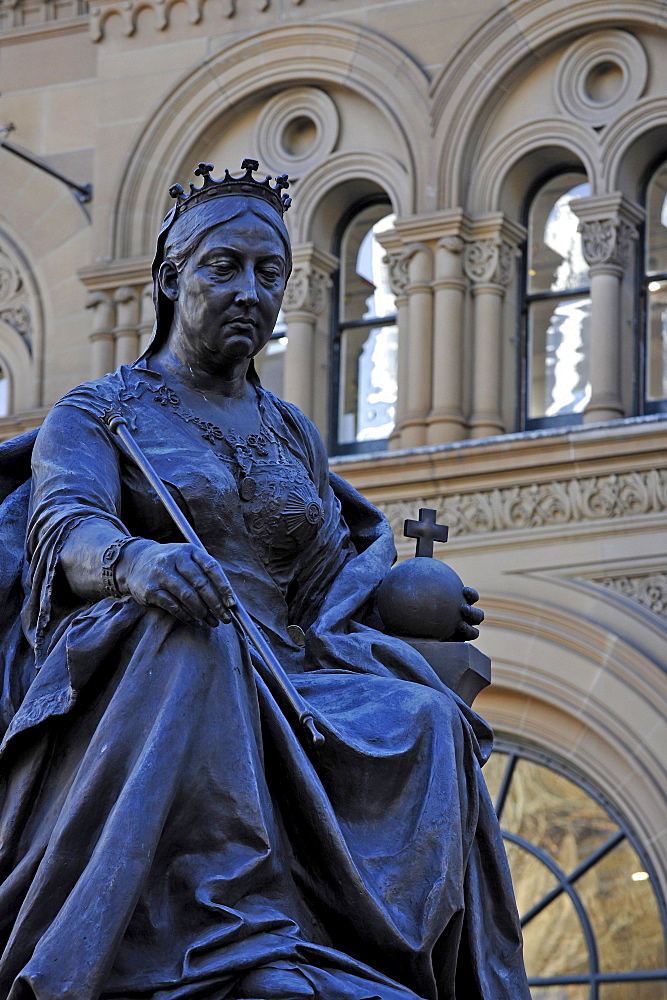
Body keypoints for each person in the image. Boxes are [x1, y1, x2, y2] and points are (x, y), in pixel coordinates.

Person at [0, 160, 530, 1000]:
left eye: (269, 273)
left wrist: (401, 601)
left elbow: (324, 581)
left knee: (426, 715)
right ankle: (228, 933)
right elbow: (66, 527)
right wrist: (138, 563)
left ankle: (394, 964)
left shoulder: (290, 431)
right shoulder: (98, 411)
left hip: (292, 666)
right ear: (173, 279)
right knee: (195, 641)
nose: (251, 290)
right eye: (225, 267)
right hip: (159, 655)